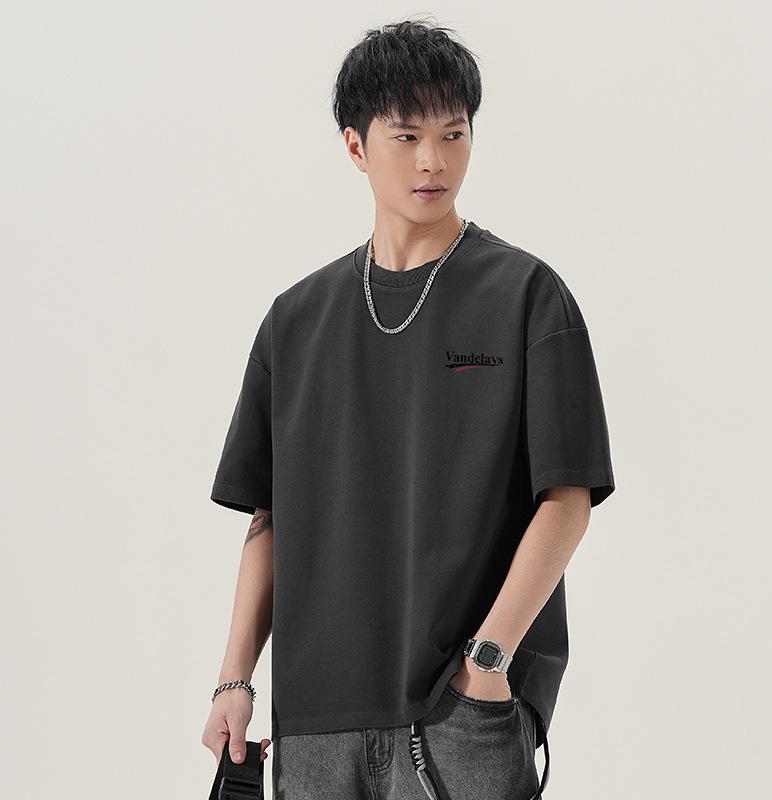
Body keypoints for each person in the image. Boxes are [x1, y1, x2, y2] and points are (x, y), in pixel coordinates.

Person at [201, 18, 615, 799]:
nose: (434, 160)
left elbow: (567, 499)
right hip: (315, 723)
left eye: (454, 134)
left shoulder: (527, 297)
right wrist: (234, 680)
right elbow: (269, 519)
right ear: (356, 146)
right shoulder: (295, 321)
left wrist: (488, 662)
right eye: (407, 136)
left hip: (460, 713)